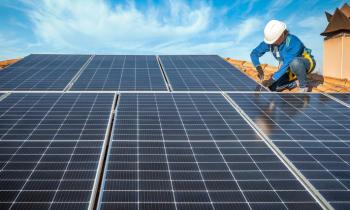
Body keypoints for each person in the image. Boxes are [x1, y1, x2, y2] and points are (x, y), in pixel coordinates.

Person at [250, 20, 315, 92]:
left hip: (304, 64)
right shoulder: (271, 43)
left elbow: (287, 62)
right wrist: (258, 67)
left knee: (295, 63)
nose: (272, 43)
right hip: (288, 69)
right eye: (271, 42)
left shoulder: (294, 42)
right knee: (274, 87)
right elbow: (254, 53)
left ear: (282, 34)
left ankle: (304, 85)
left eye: (274, 40)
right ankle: (295, 83)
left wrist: (271, 80)